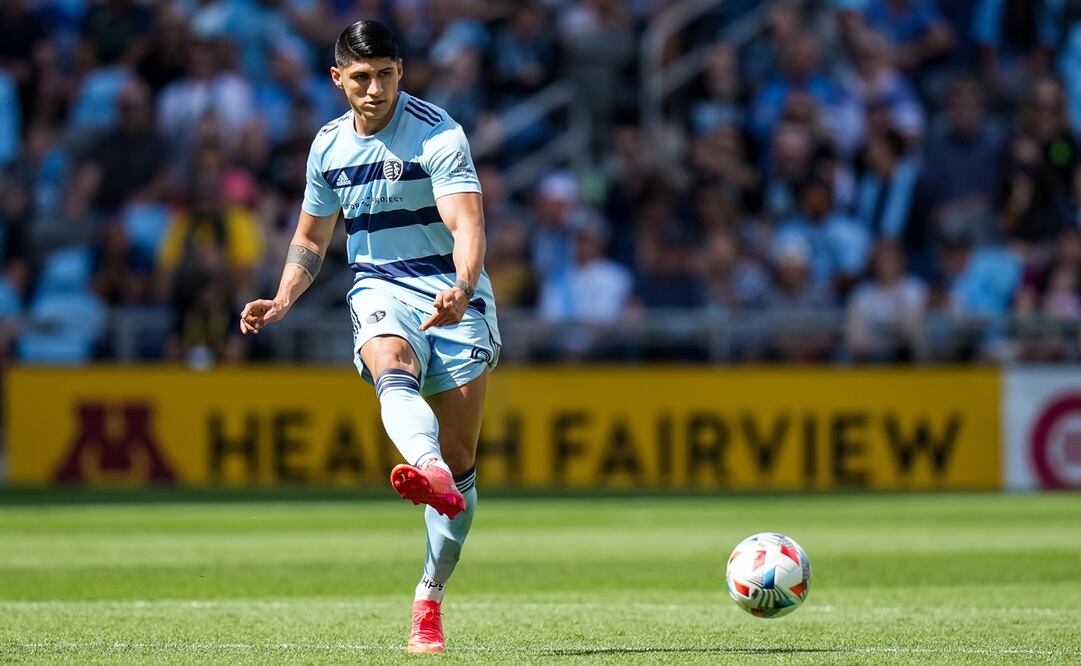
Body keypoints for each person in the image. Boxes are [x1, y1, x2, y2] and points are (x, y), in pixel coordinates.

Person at [237, 20, 498, 655]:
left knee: (463, 462)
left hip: (451, 291)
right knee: (390, 364)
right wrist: (283, 297)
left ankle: (428, 600)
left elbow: (467, 223)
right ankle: (425, 465)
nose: (374, 88)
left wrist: (462, 286)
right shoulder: (327, 147)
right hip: (380, 288)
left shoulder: (439, 133)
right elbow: (310, 238)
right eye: (361, 77)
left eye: (385, 74)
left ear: (400, 71)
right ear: (337, 80)